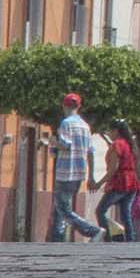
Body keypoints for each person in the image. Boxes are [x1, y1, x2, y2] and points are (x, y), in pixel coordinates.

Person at [49, 90, 97, 241]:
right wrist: (91, 175)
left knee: (63, 209)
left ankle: (92, 230)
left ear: (64, 106)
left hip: (65, 172)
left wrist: (53, 142)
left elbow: (66, 145)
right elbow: (90, 152)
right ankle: (58, 238)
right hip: (79, 173)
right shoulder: (85, 126)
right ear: (79, 107)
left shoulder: (66, 123)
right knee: (61, 208)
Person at [98, 123, 140, 243]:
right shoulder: (130, 144)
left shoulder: (117, 144)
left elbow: (113, 168)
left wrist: (99, 183)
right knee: (125, 213)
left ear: (116, 131)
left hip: (120, 182)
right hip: (132, 181)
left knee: (100, 210)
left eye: (109, 131)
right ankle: (130, 240)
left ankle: (107, 238)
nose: (108, 134)